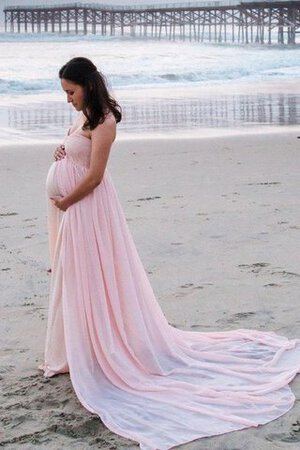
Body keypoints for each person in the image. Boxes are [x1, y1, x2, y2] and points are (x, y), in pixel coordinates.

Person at [39, 57, 300, 450]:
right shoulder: (81, 118)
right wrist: (63, 152)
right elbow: (77, 155)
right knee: (75, 276)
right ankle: (82, 347)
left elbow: (95, 177)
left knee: (91, 275)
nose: (68, 100)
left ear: (87, 87)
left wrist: (66, 202)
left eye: (71, 92)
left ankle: (102, 349)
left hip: (88, 209)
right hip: (75, 209)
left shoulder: (105, 121)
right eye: (65, 94)